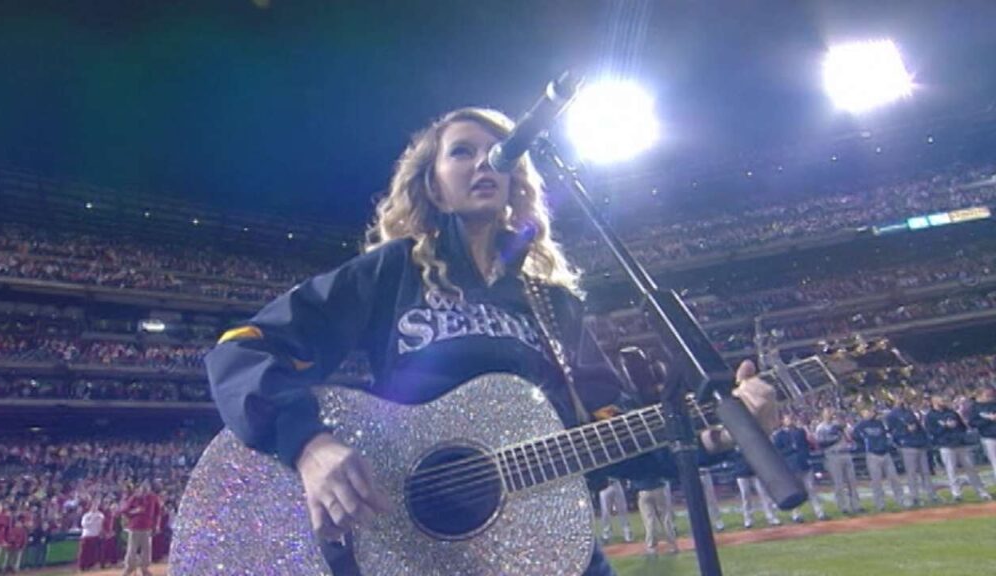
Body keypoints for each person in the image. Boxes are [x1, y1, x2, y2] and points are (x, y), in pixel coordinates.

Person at [205, 107, 779, 575]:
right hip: (418, 549)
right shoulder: (392, 272)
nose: (484, 162)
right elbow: (243, 348)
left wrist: (714, 432)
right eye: (462, 151)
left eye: (497, 152)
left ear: (515, 180)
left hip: (547, 547)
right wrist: (309, 444)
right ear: (433, 186)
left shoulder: (550, 302)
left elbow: (609, 430)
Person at [925, 396, 991, 501]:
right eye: (941, 400)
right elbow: (932, 432)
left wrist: (958, 432)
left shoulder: (951, 412)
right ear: (934, 402)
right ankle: (956, 494)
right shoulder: (930, 416)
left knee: (971, 468)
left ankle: (982, 492)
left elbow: (963, 427)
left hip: (960, 443)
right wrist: (944, 426)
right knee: (951, 470)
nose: (944, 402)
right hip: (946, 445)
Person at [885, 395, 940, 506]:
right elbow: (892, 432)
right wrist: (904, 434)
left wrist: (924, 440)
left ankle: (931, 495)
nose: (902, 400)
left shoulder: (909, 412)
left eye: (902, 397)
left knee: (925, 472)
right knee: (912, 473)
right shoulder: (891, 415)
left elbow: (919, 427)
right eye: (899, 398)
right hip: (907, 445)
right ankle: (915, 497)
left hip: (919, 443)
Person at [772, 414, 826, 522]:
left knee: (811, 489)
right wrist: (791, 449)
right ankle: (796, 515)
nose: (790, 420)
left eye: (791, 418)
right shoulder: (779, 435)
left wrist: (807, 458)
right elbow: (778, 451)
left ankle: (820, 513)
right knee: (795, 491)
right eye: (787, 418)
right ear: (783, 421)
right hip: (791, 466)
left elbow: (805, 446)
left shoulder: (800, 431)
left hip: (803, 464)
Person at [852, 407, 906, 511]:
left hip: (885, 453)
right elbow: (856, 437)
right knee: (876, 481)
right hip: (872, 454)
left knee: (894, 478)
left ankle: (901, 500)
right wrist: (866, 444)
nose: (871, 413)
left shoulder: (879, 423)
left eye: (872, 411)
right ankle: (880, 504)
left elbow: (887, 434)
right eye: (869, 411)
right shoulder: (860, 425)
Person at [815, 408, 862, 514]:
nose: (830, 414)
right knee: (838, 483)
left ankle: (856, 505)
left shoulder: (839, 425)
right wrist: (835, 438)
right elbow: (821, 443)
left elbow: (850, 437)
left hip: (845, 453)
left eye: (830, 412)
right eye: (827, 412)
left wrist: (843, 429)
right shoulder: (821, 428)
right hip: (833, 455)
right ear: (822, 414)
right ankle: (843, 507)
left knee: (852, 481)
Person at [118, 482, 161, 576]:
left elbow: (158, 513)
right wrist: (135, 511)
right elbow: (124, 510)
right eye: (143, 488)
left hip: (147, 527)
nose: (144, 490)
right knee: (132, 549)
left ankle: (144, 568)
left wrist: (157, 525)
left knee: (146, 549)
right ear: (140, 489)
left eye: (146, 488)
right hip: (135, 527)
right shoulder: (134, 497)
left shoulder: (153, 497)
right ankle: (129, 568)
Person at [731, 449, 781, 529]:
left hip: (755, 472)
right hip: (741, 473)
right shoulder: (734, 447)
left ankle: (771, 517)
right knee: (745, 496)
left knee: (764, 494)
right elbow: (732, 458)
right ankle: (748, 519)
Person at [632, 477, 677, 557]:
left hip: (644, 491)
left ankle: (651, 547)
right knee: (665, 519)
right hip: (659, 488)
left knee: (649, 520)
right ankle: (672, 545)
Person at [969, 386, 996, 479]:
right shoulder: (975, 407)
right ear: (980, 395)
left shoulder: (994, 404)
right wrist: (988, 419)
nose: (990, 397)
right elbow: (972, 423)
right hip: (988, 437)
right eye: (987, 395)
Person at [597, 478, 632, 543]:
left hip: (615, 483)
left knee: (622, 509)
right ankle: (606, 534)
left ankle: (627, 533)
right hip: (603, 486)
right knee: (605, 512)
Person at [78, 500, 104, 571]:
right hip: (86, 535)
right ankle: (82, 566)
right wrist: (92, 520)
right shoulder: (86, 515)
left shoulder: (100, 515)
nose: (94, 507)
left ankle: (91, 566)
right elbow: (84, 525)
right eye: (93, 506)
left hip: (95, 535)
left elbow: (100, 525)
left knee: (93, 553)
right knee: (83, 552)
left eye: (96, 506)